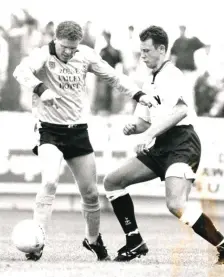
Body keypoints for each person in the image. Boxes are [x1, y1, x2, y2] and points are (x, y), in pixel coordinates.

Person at [13, 20, 151, 261]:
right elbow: (20, 71)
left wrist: (138, 94)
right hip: (49, 131)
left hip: (77, 132)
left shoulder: (85, 55)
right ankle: (37, 242)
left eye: (74, 48)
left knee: (90, 193)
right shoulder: (42, 55)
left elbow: (114, 77)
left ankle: (93, 240)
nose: (69, 52)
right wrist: (41, 89)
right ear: (56, 39)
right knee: (50, 181)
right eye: (65, 47)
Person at [103, 25, 224, 264]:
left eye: (147, 50)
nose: (143, 55)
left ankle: (222, 243)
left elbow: (180, 111)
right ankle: (134, 240)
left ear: (161, 49)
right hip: (161, 144)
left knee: (176, 204)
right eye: (141, 51)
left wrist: (147, 136)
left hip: (182, 143)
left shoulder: (172, 75)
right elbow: (143, 121)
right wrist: (134, 127)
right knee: (113, 181)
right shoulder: (150, 82)